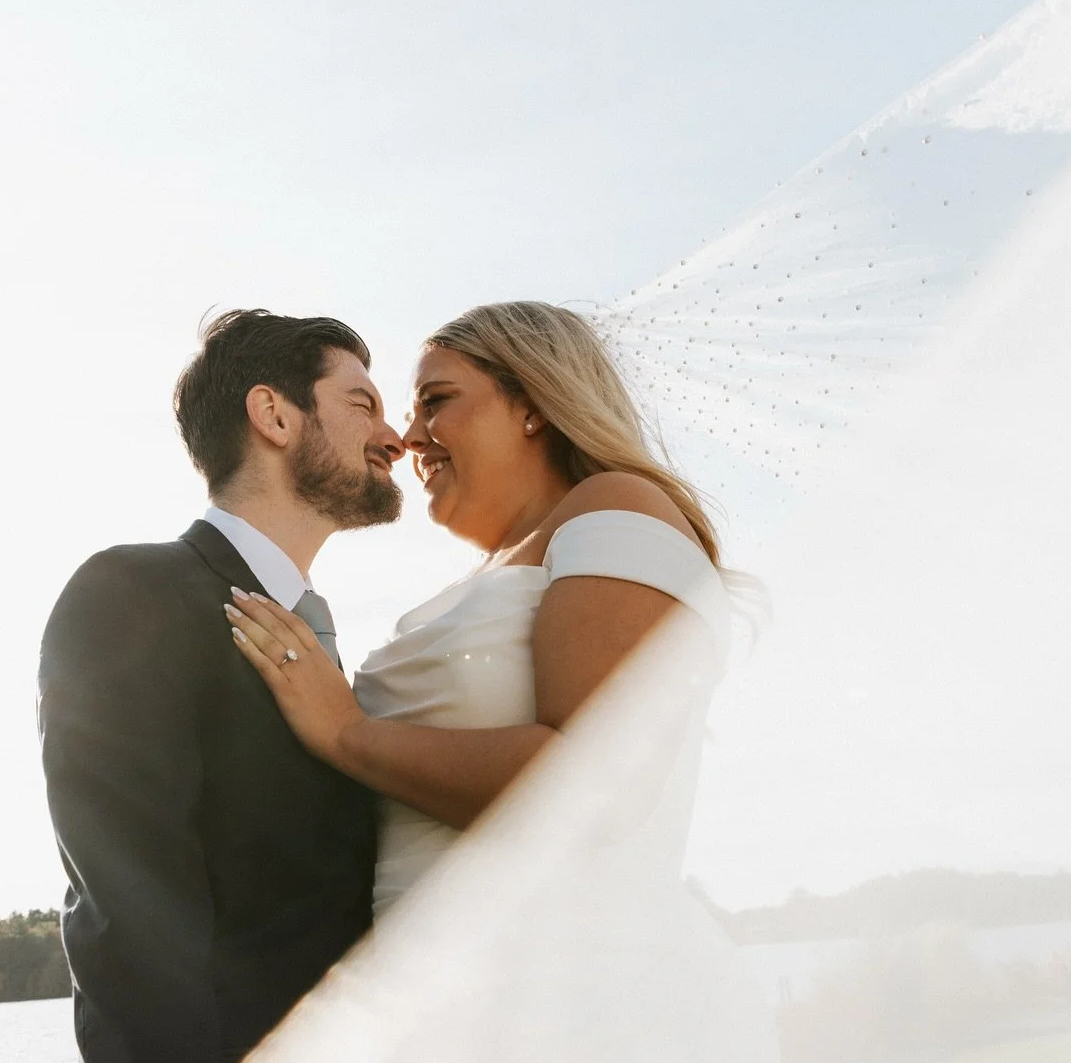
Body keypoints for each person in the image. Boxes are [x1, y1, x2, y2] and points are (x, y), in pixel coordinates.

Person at [32, 307, 405, 1063]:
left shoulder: (316, 638)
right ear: (274, 416)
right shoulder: (134, 595)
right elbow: (127, 932)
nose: (394, 434)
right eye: (362, 403)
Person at [226, 299, 730, 913]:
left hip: (549, 957)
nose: (409, 439)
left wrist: (347, 733)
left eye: (435, 401)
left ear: (533, 404)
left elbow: (601, 783)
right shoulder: (491, 574)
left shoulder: (618, 502)